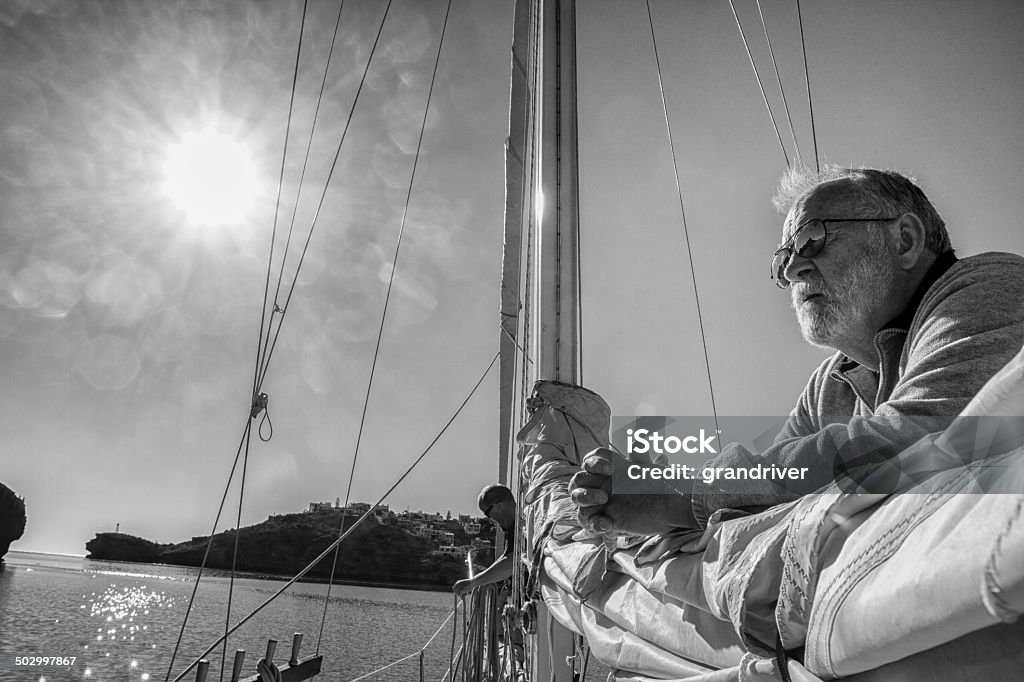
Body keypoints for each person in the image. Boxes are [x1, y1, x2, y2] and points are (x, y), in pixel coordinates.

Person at [570, 165, 1024, 535]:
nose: (791, 269)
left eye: (812, 239)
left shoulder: (993, 287)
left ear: (904, 240)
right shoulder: (830, 387)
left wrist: (686, 497)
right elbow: (765, 491)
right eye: (781, 258)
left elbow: (926, 441)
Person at [453, 484, 517, 597]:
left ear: (498, 507)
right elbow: (508, 556)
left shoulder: (523, 525)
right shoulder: (512, 528)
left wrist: (472, 583)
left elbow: (513, 561)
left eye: (487, 514)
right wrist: (486, 576)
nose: (491, 520)